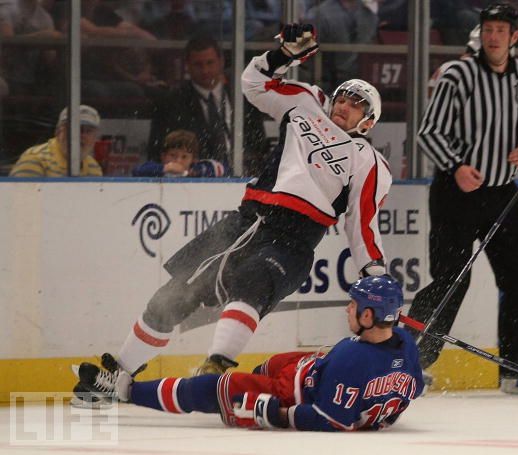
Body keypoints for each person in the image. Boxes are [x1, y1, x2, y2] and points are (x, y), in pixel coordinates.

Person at [69, 23, 392, 401]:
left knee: (251, 283)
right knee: (172, 295)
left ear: (368, 123)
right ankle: (118, 374)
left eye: (357, 105)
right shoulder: (306, 102)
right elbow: (254, 83)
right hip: (246, 220)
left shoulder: (367, 160)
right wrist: (284, 55)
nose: (345, 106)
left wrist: (376, 276)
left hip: (294, 239)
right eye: (343, 98)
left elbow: (362, 223)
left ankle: (215, 370)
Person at [407, 2, 518, 395]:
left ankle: (515, 368)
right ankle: (408, 362)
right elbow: (428, 132)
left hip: (502, 193)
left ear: (514, 37)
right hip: (456, 191)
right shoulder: (458, 74)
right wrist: (456, 166)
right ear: (481, 33)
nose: (493, 36)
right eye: (488, 29)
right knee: (451, 279)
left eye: (501, 31)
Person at [75, 275, 424, 432]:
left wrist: (279, 414)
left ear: (368, 316)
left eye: (354, 305)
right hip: (313, 372)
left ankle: (125, 391)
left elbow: (332, 420)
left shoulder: (352, 356)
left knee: (218, 387)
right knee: (270, 364)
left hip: (295, 392)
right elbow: (415, 386)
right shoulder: (405, 346)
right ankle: (250, 384)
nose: (347, 310)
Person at [147, 36, 267, 176]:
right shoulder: (171, 103)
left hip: (245, 178)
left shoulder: (244, 97)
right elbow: (157, 152)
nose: (205, 70)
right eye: (198, 64)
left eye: (210, 63)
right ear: (187, 65)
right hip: (193, 183)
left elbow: (259, 145)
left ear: (221, 61)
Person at [9, 105, 103, 177]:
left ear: (95, 137)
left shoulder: (93, 166)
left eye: (88, 131)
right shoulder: (35, 159)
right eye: (73, 128)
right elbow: (20, 200)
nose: (80, 135)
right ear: (58, 132)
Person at [132, 129, 227, 177]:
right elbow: (137, 171)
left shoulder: (198, 169)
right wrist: (165, 168)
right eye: (172, 155)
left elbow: (222, 169)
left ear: (193, 159)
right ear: (163, 156)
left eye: (184, 157)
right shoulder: (156, 169)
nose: (178, 160)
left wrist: (192, 172)